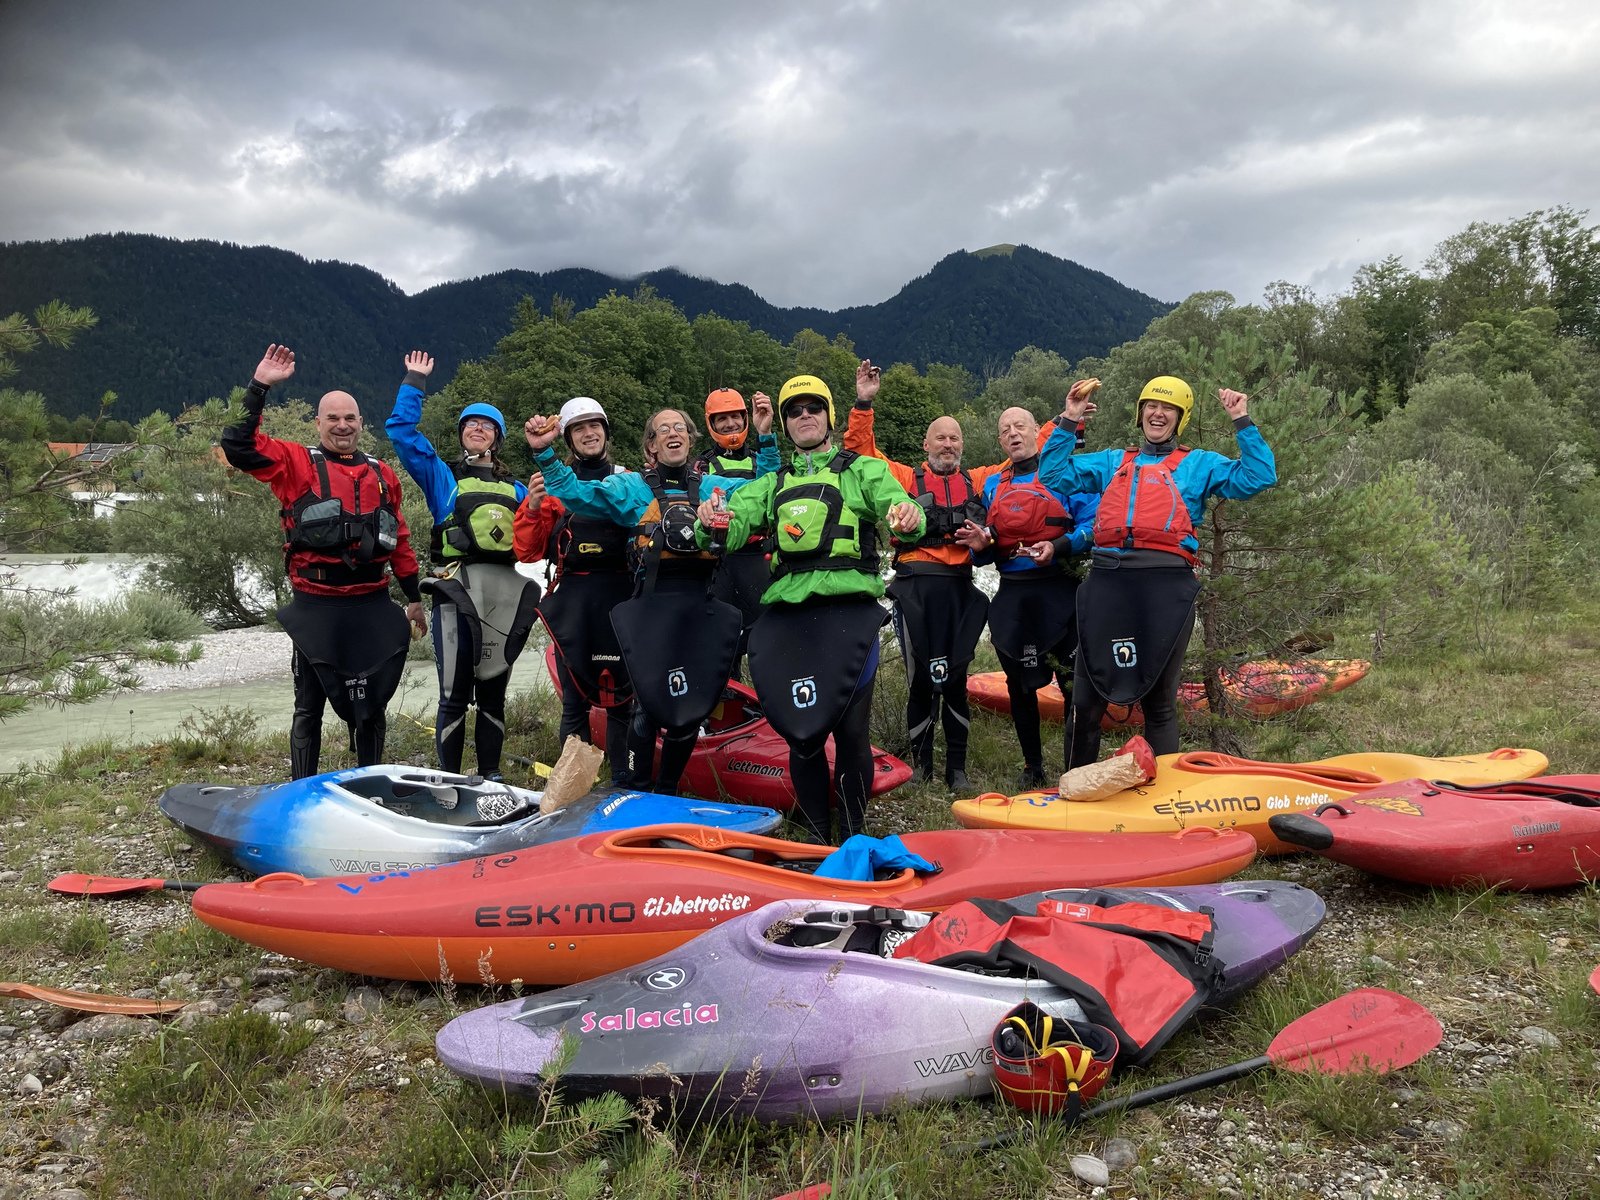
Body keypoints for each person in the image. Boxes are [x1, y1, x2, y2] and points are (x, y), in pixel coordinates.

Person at [694, 375, 926, 843]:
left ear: (828, 418)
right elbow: (731, 525)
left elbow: (901, 509)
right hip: (789, 618)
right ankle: (821, 835)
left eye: (813, 408)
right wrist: (711, 523)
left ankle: (855, 831)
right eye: (795, 410)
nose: (805, 416)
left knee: (852, 734)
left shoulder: (862, 471)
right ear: (784, 423)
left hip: (849, 615)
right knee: (803, 738)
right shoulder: (771, 483)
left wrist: (910, 516)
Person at [522, 400, 778, 793]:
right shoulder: (631, 489)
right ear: (651, 447)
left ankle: (668, 788)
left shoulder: (712, 487)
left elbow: (766, 488)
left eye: (679, 428)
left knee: (690, 711)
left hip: (699, 611)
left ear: (689, 441)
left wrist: (765, 436)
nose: (672, 433)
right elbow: (572, 493)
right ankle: (636, 786)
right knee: (646, 710)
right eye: (662, 429)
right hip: (650, 612)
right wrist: (544, 451)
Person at [845, 359, 1066, 790]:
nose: (948, 445)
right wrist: (863, 403)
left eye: (955, 439)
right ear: (926, 444)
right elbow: (861, 453)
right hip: (914, 587)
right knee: (922, 680)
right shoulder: (904, 477)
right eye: (940, 438)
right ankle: (922, 768)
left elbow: (1026, 452)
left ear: (962, 446)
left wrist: (1064, 417)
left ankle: (958, 770)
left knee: (958, 679)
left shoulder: (980, 478)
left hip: (960, 590)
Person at [1039, 375, 1277, 767]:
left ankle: (1164, 796)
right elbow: (1053, 475)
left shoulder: (1199, 464)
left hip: (1166, 588)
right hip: (1108, 582)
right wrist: (1069, 419)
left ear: (1179, 418)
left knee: (1160, 702)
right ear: (1140, 413)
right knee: (1086, 699)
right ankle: (1075, 786)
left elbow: (1259, 476)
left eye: (1168, 408)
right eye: (1151, 405)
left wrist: (1241, 420)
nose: (1158, 413)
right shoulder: (1115, 461)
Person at [221, 343, 425, 779]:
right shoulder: (295, 463)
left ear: (360, 424)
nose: (342, 425)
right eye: (332, 418)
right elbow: (238, 443)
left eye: (350, 418)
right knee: (308, 706)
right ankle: (303, 788)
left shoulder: (383, 475)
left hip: (370, 602)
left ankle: (371, 785)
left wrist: (414, 597)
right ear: (318, 423)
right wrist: (259, 386)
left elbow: (400, 539)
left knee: (371, 707)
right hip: (316, 603)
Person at [385, 351, 543, 779]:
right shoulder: (443, 478)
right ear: (462, 435)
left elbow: (537, 537)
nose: (477, 428)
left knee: (493, 695)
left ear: (498, 436)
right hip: (457, 589)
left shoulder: (517, 488)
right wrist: (414, 381)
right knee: (454, 694)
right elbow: (400, 432)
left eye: (487, 424)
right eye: (470, 424)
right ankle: (450, 783)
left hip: (505, 595)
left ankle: (490, 778)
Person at [955, 407, 1098, 789]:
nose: (1013, 434)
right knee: (1019, 687)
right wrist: (978, 545)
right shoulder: (992, 487)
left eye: (1020, 426)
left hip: (1062, 589)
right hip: (1014, 596)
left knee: (1073, 687)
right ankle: (1032, 767)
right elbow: (984, 551)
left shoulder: (1067, 474)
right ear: (1001, 441)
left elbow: (1092, 525)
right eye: (1005, 430)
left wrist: (1059, 545)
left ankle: (1076, 767)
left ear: (1037, 431)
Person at [514, 398, 632, 782]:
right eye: (579, 428)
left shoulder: (627, 478)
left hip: (623, 597)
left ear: (606, 432)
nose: (589, 433)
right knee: (574, 703)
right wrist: (532, 507)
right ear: (568, 438)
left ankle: (623, 784)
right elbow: (527, 551)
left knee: (623, 702)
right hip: (575, 602)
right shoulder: (551, 486)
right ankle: (571, 787)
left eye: (595, 425)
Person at [692, 387, 772, 678]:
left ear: (744, 418)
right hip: (722, 562)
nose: (730, 425)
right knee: (725, 648)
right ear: (711, 424)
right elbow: (767, 486)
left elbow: (775, 486)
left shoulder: (761, 457)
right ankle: (723, 711)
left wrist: (766, 436)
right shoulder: (701, 465)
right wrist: (758, 488)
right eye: (721, 419)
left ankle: (770, 711)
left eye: (735, 417)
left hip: (759, 558)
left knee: (768, 644)